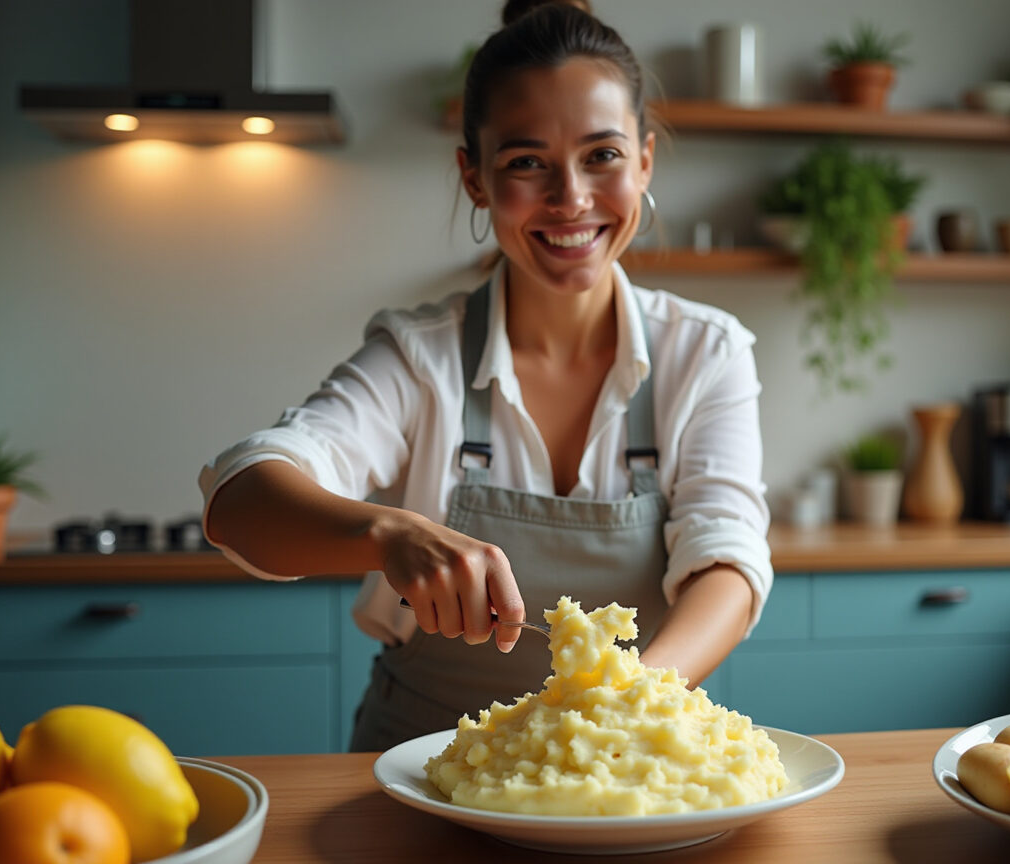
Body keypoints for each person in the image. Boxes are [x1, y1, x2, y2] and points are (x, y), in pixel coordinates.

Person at [199, 0, 772, 753]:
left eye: (601, 155)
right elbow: (240, 502)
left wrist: (631, 700)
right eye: (526, 163)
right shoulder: (419, 357)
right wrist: (386, 531)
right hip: (418, 768)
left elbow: (728, 561)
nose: (571, 198)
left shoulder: (706, 353)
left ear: (644, 161)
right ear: (473, 177)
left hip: (624, 764)